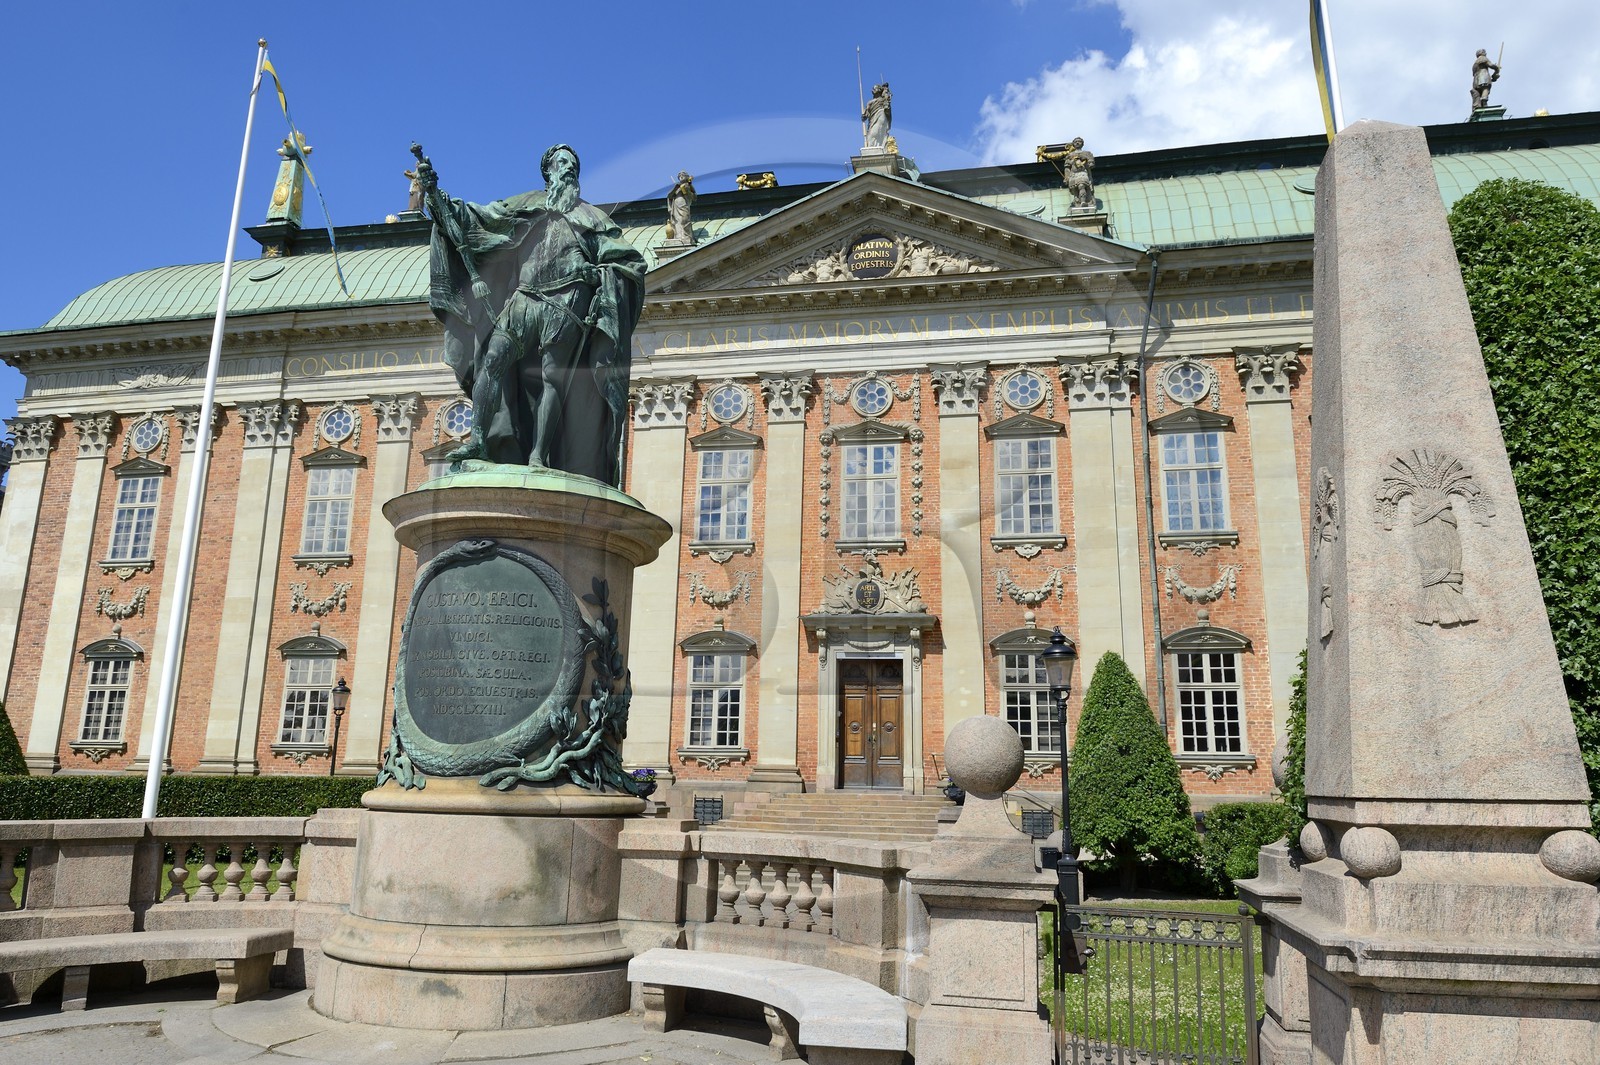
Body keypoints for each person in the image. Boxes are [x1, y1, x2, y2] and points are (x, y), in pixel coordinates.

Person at [418, 144, 646, 484]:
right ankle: (479, 440)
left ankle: (539, 455)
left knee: (554, 378)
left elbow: (629, 262)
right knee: (491, 361)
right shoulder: (526, 204)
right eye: (562, 163)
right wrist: (438, 197)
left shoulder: (593, 217)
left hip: (568, 302)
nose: (569, 169)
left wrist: (603, 276)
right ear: (549, 171)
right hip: (524, 298)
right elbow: (475, 217)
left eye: (573, 165)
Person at [666, 170, 696, 243]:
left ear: (687, 177)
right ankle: (679, 237)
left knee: (684, 220)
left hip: (684, 206)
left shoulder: (689, 186)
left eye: (683, 174)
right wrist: (675, 188)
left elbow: (694, 197)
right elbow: (669, 196)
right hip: (676, 207)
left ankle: (687, 237)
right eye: (679, 175)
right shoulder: (677, 187)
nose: (681, 176)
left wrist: (687, 190)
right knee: (676, 221)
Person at [863, 82, 892, 150]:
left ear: (878, 90)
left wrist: (886, 91)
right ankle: (872, 148)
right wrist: (864, 116)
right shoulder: (870, 102)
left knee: (876, 132)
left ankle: (881, 147)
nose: (872, 90)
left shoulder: (883, 99)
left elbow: (887, 107)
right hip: (872, 119)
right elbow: (866, 113)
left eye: (874, 89)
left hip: (881, 116)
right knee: (870, 135)